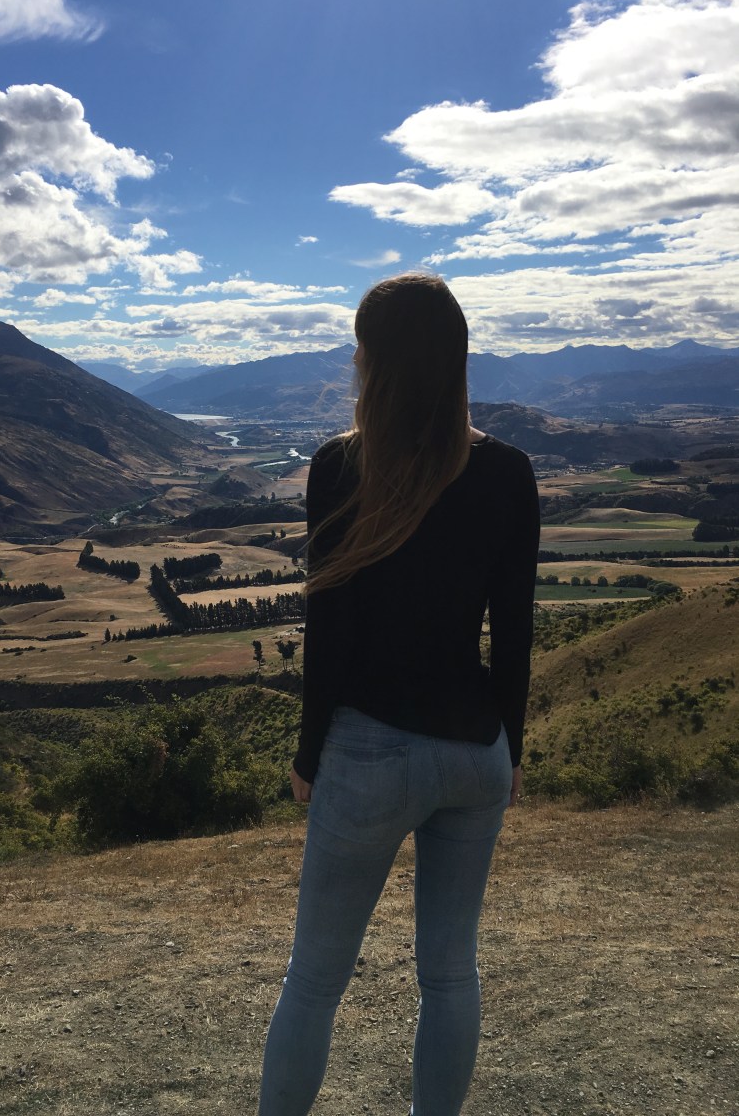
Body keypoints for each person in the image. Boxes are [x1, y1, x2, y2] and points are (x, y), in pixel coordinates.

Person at [258, 273, 540, 1116]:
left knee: (315, 980)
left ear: (371, 362)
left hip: (368, 750)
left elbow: (330, 633)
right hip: (476, 751)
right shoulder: (509, 472)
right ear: (457, 359)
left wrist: (308, 754)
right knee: (450, 974)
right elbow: (514, 634)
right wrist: (512, 751)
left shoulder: (340, 466)